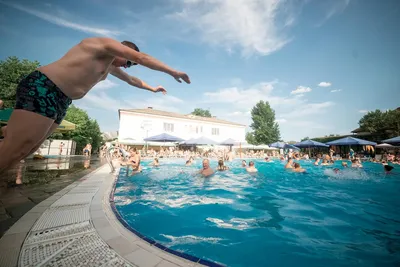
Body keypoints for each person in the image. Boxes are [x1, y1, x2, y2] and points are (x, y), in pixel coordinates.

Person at [0, 37, 190, 174]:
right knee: (16, 149)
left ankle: (10, 131)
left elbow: (132, 80)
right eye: (129, 62)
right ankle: (11, 133)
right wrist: (173, 72)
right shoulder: (101, 44)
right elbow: (142, 58)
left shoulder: (110, 67)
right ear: (123, 49)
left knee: (29, 148)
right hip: (45, 87)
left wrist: (152, 89)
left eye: (129, 65)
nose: (127, 66)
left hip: (62, 99)